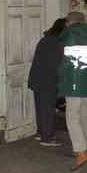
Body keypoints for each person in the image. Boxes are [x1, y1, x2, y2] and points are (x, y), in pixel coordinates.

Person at [57, 11, 87, 172]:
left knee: (72, 117)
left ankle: (82, 153)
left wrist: (60, 76)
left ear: (68, 22)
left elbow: (66, 61)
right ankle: (86, 147)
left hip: (73, 79)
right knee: (84, 114)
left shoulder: (69, 34)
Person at [28, 18, 65, 147]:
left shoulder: (45, 39)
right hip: (47, 81)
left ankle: (41, 133)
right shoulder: (56, 42)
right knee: (48, 110)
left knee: (41, 109)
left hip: (37, 79)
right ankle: (47, 138)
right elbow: (56, 65)